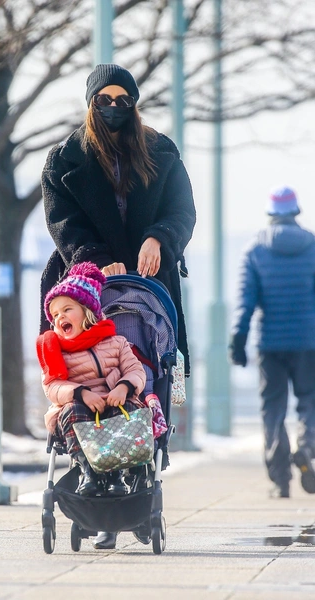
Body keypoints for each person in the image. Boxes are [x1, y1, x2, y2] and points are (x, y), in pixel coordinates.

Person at [40, 62, 196, 378]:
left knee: (154, 373)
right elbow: (63, 222)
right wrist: (97, 259)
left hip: (150, 279)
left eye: (122, 100)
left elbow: (182, 211)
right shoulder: (62, 160)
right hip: (87, 284)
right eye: (103, 99)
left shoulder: (161, 151)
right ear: (90, 102)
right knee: (83, 376)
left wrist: (159, 238)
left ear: (133, 105)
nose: (112, 107)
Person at [36, 262, 148, 549]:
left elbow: (137, 371)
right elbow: (52, 387)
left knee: (132, 413)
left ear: (87, 311)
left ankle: (119, 476)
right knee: (72, 412)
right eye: (55, 314)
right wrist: (81, 393)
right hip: (80, 411)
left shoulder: (116, 343)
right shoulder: (57, 352)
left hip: (115, 407)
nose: (60, 317)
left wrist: (123, 387)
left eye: (67, 310)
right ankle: (90, 472)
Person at [229, 186, 315, 499]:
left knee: (273, 409)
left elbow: (245, 301)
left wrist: (238, 340)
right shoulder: (313, 245)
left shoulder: (255, 250)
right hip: (309, 341)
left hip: (270, 343)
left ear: (270, 214)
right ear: (296, 213)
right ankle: (306, 448)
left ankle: (280, 481)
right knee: (310, 401)